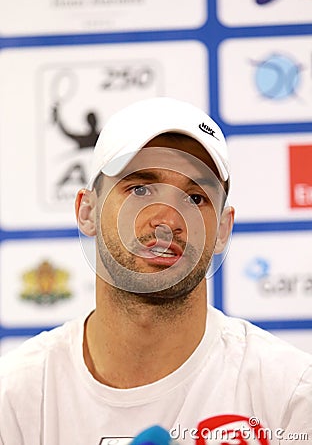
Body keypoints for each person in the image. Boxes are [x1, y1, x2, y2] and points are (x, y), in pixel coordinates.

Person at [0, 97, 311, 445]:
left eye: (195, 198)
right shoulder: (14, 397)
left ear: (223, 229)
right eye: (140, 189)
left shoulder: (291, 396)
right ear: (86, 211)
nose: (167, 220)